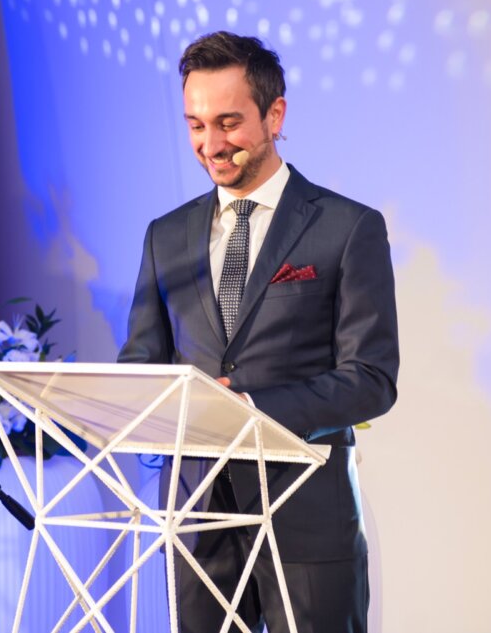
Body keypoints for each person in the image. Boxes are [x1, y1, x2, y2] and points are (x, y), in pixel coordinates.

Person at [118, 32, 399, 633]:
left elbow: (371, 380)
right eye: (195, 125)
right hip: (194, 523)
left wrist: (247, 410)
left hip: (305, 520)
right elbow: (142, 366)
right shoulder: (164, 236)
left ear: (276, 113)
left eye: (228, 122)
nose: (211, 145)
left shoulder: (348, 228)